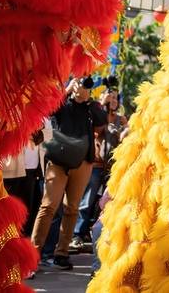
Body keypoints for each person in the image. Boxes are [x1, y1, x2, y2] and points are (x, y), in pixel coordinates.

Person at [30, 76, 107, 271]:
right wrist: (66, 91)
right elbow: (47, 111)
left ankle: (61, 254)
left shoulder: (90, 106)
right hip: (58, 162)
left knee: (72, 208)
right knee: (48, 207)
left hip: (83, 163)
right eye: (79, 83)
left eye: (85, 86)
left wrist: (88, 99)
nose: (82, 88)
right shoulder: (62, 101)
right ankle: (32, 255)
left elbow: (102, 122)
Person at [71, 86, 128, 251]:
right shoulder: (97, 114)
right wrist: (102, 106)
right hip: (96, 165)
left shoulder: (121, 118)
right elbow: (95, 129)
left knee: (105, 202)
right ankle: (77, 235)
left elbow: (129, 134)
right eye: (110, 96)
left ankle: (101, 234)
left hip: (114, 168)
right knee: (86, 201)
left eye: (116, 98)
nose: (113, 100)